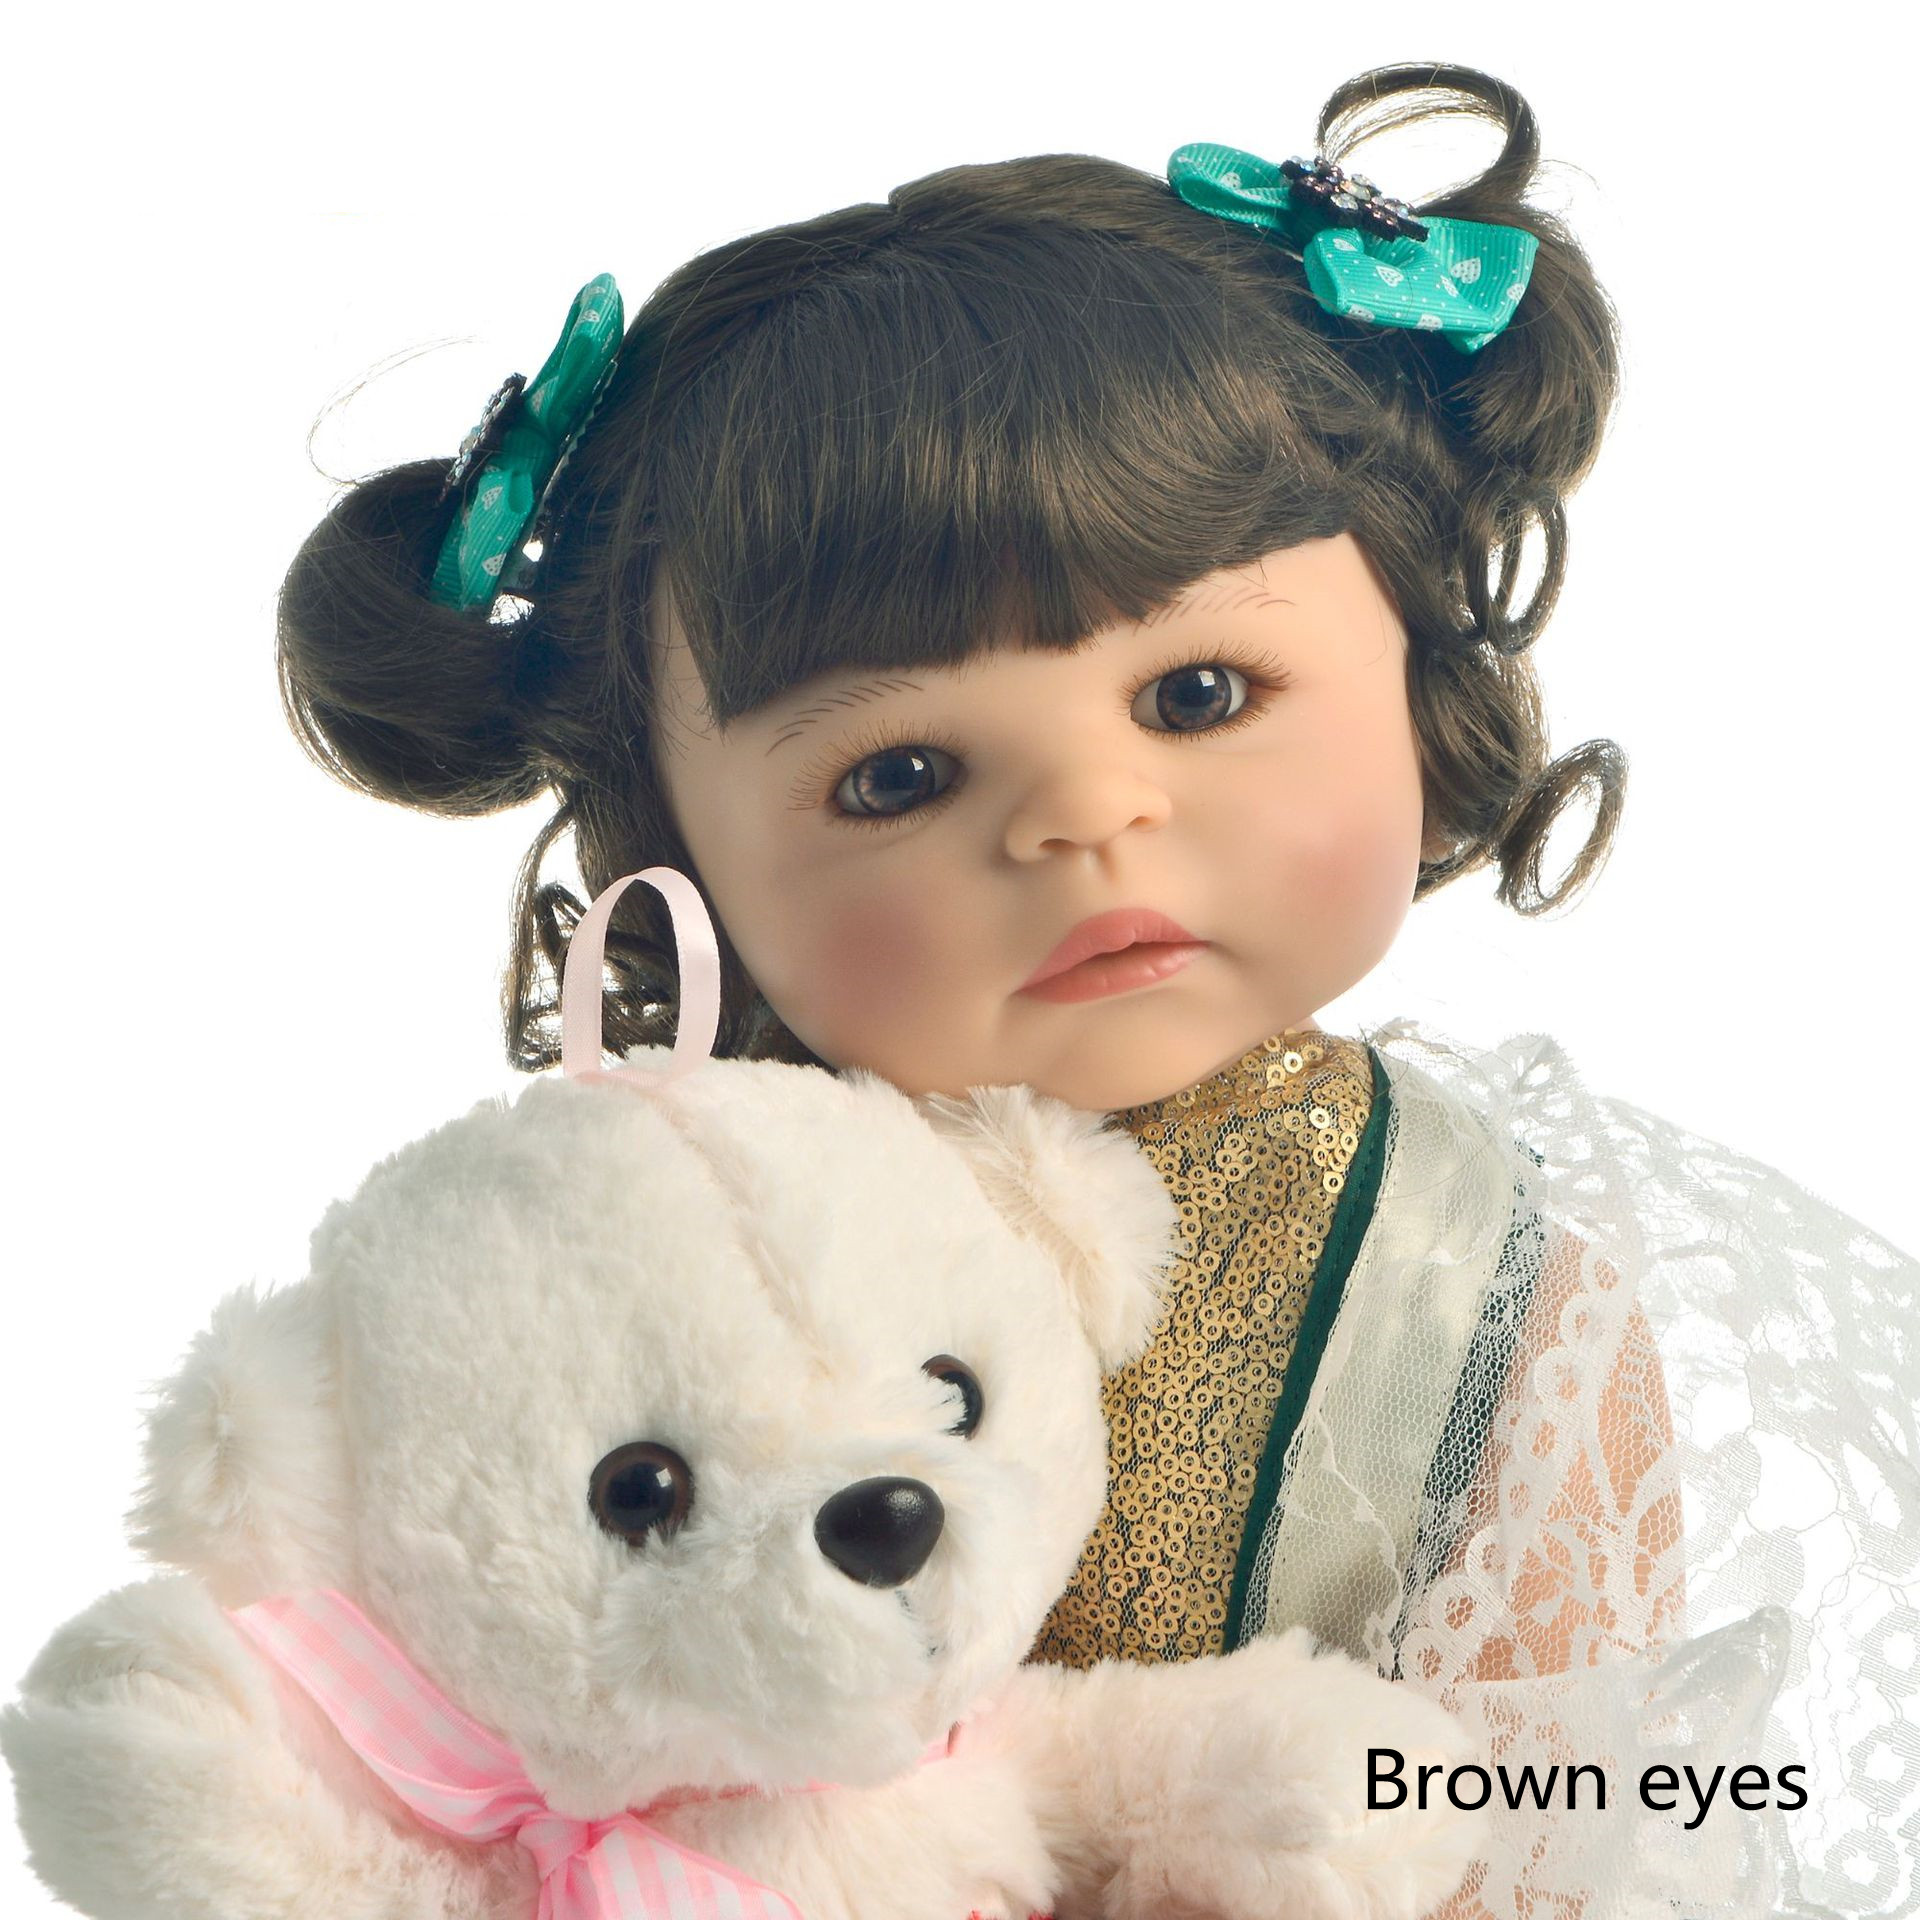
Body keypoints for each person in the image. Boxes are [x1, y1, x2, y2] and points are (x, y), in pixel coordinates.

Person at [276, 62, 1917, 1919]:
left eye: (1199, 695)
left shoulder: (1468, 1286)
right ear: (674, 850)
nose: (1085, 816)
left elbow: (1570, 1801)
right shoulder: (636, 1245)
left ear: (1412, 655)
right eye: (900, 774)